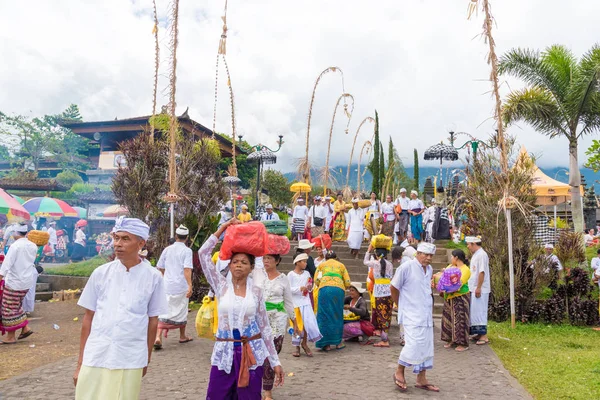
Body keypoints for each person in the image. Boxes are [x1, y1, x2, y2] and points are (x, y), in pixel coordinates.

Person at [74, 217, 167, 399]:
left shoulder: (153, 277)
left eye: (125, 239)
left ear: (141, 243)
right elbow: (88, 318)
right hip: (96, 353)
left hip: (130, 357)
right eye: (116, 238)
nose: (118, 244)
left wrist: (145, 359)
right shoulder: (101, 273)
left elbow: (152, 321)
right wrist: (80, 363)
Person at [199, 219, 284, 398]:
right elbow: (203, 253)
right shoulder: (220, 286)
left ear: (251, 267)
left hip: (251, 352)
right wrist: (222, 229)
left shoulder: (256, 291)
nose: (239, 265)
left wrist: (275, 361)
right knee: (217, 395)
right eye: (235, 261)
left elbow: (265, 327)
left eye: (244, 262)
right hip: (225, 352)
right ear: (229, 265)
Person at [390, 242, 439, 393]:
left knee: (426, 346)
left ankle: (421, 378)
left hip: (425, 314)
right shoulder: (406, 267)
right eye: (426, 255)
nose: (429, 258)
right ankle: (399, 370)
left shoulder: (429, 269)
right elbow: (393, 287)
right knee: (413, 344)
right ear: (418, 253)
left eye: (431, 255)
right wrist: (399, 305)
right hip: (410, 314)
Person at [253, 249, 297, 400]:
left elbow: (289, 302)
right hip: (259, 321)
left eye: (270, 258)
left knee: (271, 356)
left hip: (278, 322)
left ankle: (267, 392)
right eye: (264, 258)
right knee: (259, 356)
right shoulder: (256, 275)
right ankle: (259, 388)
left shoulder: (283, 279)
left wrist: (295, 321)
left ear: (277, 261)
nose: (266, 261)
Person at [155, 225, 194, 349]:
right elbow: (187, 269)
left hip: (167, 285)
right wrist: (190, 285)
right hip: (181, 285)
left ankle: (158, 336)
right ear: (187, 238)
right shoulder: (187, 251)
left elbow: (160, 266)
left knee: (163, 310)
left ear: (176, 236)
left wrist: (165, 276)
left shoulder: (167, 249)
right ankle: (182, 336)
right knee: (182, 310)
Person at [0, 224, 37, 344]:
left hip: (14, 282)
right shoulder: (33, 245)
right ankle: (25, 328)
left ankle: (11, 336)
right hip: (26, 282)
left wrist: (0, 277)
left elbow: (6, 265)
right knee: (16, 306)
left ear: (16, 233)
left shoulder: (15, 246)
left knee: (8, 309)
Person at [314, 250, 351, 351]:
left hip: (325, 289)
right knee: (337, 314)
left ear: (326, 258)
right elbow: (348, 282)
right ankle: (338, 342)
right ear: (335, 258)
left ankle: (326, 344)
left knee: (324, 315)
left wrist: (322, 284)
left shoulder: (322, 265)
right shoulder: (341, 265)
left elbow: (316, 280)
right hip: (338, 290)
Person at [287, 253, 322, 358]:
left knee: (307, 324)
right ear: (297, 262)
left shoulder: (307, 273)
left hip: (306, 303)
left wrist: (309, 287)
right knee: (297, 326)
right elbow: (288, 289)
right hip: (296, 304)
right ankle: (297, 345)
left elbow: (309, 287)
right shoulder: (290, 275)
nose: (306, 264)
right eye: (303, 261)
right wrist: (299, 288)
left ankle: (304, 343)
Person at [440, 249, 471, 352]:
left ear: (456, 257)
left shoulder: (465, 270)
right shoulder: (450, 267)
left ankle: (462, 342)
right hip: (449, 296)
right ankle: (451, 339)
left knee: (460, 319)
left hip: (460, 296)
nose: (451, 259)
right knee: (449, 319)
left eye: (452, 257)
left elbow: (459, 284)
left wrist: (447, 286)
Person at [364, 244, 394, 347]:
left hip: (378, 293)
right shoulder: (390, 264)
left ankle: (385, 340)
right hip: (389, 293)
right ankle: (385, 336)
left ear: (376, 255)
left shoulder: (375, 264)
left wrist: (369, 250)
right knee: (387, 315)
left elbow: (365, 262)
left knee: (381, 315)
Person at [466, 236, 490, 345]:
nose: (468, 247)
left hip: (481, 288)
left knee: (480, 311)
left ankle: (484, 335)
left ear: (474, 244)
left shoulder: (482, 255)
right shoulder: (476, 255)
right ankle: (478, 333)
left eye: (469, 244)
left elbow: (482, 272)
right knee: (475, 311)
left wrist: (479, 287)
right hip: (474, 287)